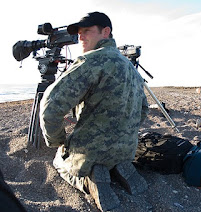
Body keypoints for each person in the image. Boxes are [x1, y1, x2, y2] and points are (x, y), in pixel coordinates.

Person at [39, 12, 149, 211]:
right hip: (125, 151)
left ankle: (89, 181)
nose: (80, 37)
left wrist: (58, 141)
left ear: (105, 32)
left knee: (58, 159)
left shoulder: (90, 62)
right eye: (79, 33)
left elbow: (50, 107)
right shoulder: (130, 68)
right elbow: (143, 110)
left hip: (91, 153)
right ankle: (119, 168)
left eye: (87, 31)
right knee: (111, 155)